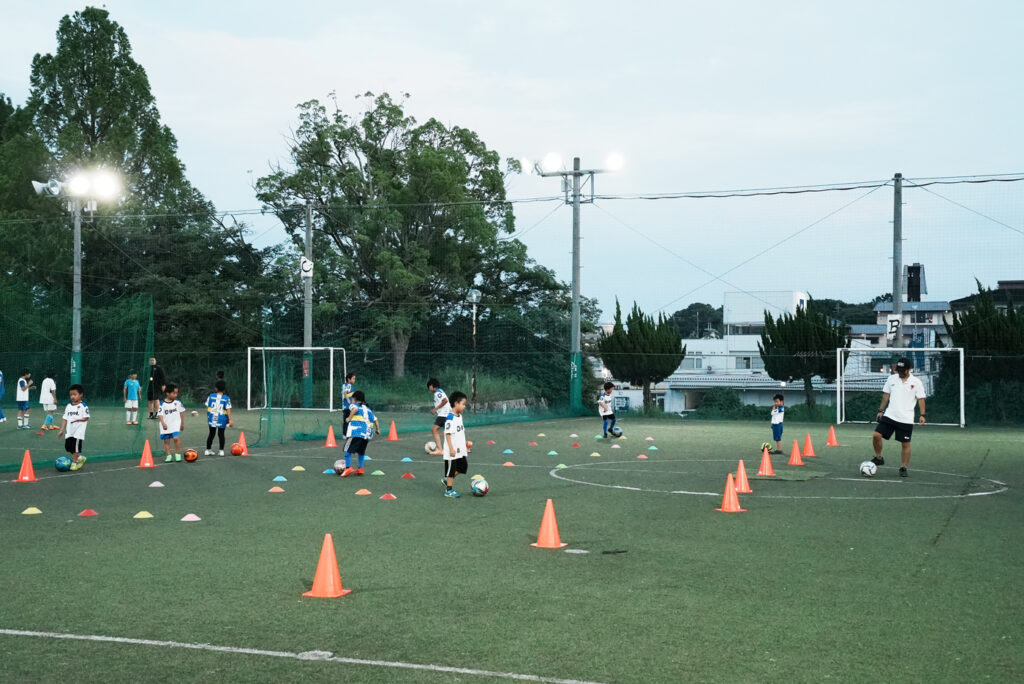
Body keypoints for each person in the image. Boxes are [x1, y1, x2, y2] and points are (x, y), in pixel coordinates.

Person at [871, 357, 926, 478]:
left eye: (902, 370)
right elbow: (886, 395)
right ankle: (879, 457)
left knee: (905, 444)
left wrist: (922, 415)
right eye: (898, 370)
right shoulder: (891, 379)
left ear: (909, 369)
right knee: (876, 435)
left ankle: (903, 467)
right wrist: (881, 410)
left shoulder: (916, 382)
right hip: (890, 415)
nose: (899, 372)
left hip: (906, 419)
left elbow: (921, 398)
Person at [339, 390, 380, 477]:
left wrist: (349, 418)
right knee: (361, 451)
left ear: (355, 399)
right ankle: (360, 469)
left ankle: (348, 468)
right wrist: (377, 429)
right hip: (367, 434)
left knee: (346, 450)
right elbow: (376, 420)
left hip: (357, 432)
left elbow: (355, 409)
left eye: (352, 398)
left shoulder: (354, 405)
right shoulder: (368, 409)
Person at [441, 391, 469, 498]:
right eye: (463, 404)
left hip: (460, 448)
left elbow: (460, 431)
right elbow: (447, 434)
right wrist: (451, 449)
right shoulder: (450, 418)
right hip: (451, 450)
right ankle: (448, 490)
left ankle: (447, 479)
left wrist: (464, 443)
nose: (464, 406)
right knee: (451, 469)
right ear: (456, 403)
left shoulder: (459, 416)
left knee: (463, 467)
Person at [57, 384, 90, 471]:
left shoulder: (83, 405)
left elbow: (86, 417)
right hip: (69, 431)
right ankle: (80, 458)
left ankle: (74, 462)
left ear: (81, 394)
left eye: (75, 394)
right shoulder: (68, 406)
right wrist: (61, 430)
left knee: (75, 447)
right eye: (71, 394)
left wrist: (77, 420)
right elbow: (65, 418)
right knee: (68, 447)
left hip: (78, 431)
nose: (72, 396)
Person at [158, 383, 186, 463]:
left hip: (175, 424)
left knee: (176, 438)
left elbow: (181, 413)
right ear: (168, 393)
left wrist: (182, 424)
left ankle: (178, 454)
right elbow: (160, 414)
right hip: (166, 425)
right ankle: (169, 456)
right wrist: (163, 423)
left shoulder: (178, 402)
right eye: (174, 393)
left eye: (177, 393)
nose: (176, 395)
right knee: (166, 441)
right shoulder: (162, 403)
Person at [204, 379, 233, 456]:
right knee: (221, 434)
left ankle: (208, 450)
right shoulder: (226, 398)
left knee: (211, 434)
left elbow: (207, 406)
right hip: (222, 419)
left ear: (216, 388)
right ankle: (221, 451)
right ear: (224, 388)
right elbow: (228, 409)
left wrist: (209, 415)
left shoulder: (211, 396)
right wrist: (230, 420)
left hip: (212, 418)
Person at [427, 378, 449, 452]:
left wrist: (435, 409)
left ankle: (440, 450)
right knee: (449, 432)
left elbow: (445, 400)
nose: (429, 389)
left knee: (434, 430)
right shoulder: (440, 391)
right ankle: (465, 446)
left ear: (432, 386)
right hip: (446, 413)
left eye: (429, 387)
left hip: (444, 414)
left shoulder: (437, 392)